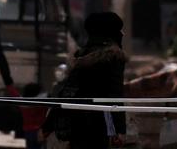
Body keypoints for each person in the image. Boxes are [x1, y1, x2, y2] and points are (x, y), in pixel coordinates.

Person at [42, 12, 127, 148]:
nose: (122, 34)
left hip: (77, 122)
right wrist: (116, 131)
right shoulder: (114, 58)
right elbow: (113, 97)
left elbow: (66, 92)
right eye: (119, 30)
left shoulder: (81, 56)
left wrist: (48, 124)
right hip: (99, 124)